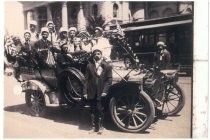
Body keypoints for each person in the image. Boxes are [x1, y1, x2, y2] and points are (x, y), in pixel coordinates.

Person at [83, 49, 112, 134]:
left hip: (101, 92)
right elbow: (86, 80)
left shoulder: (107, 66)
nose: (97, 55)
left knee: (100, 109)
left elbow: (109, 80)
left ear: (101, 55)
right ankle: (93, 127)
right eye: (95, 54)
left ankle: (101, 127)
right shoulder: (89, 66)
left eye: (98, 54)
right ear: (92, 56)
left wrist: (105, 91)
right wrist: (85, 92)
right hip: (91, 91)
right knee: (92, 110)